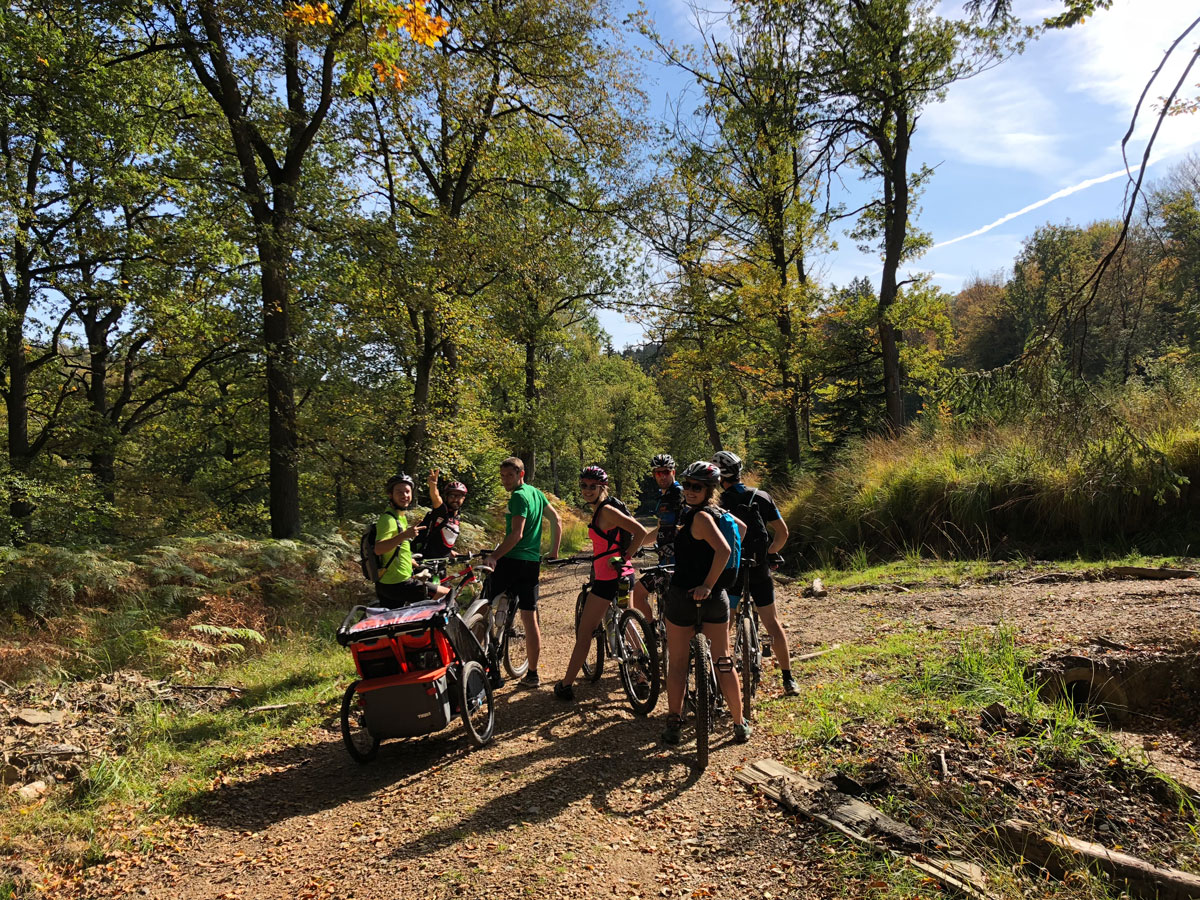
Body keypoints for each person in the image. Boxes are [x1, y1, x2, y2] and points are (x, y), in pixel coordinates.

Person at [659, 460, 750, 745]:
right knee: (724, 660)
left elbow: (723, 550)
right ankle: (739, 722)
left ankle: (674, 721)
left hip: (687, 595)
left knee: (678, 664)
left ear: (710, 489)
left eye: (696, 487)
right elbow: (741, 532)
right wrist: (713, 584)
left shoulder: (699, 518)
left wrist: (706, 583)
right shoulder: (723, 515)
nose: (689, 490)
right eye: (686, 485)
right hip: (717, 600)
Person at [554, 466, 651, 701]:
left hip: (609, 578)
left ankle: (566, 684)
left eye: (592, 486)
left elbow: (639, 531)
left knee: (586, 631)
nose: (587, 490)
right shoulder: (601, 509)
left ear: (602, 488)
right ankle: (643, 666)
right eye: (584, 485)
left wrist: (625, 556)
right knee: (625, 620)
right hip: (622, 575)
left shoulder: (606, 510)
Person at [711, 450, 798, 697]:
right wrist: (769, 553)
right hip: (759, 568)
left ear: (720, 477)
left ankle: (721, 682)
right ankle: (788, 679)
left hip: (732, 570)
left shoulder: (717, 503)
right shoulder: (762, 496)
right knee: (772, 622)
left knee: (725, 625)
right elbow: (783, 533)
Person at [484, 457, 562, 688]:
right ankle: (532, 674)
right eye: (503, 476)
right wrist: (553, 551)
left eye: (510, 475)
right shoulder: (536, 493)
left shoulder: (518, 496)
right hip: (532, 563)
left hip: (512, 560)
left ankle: (481, 663)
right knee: (530, 617)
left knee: (482, 606)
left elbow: (516, 535)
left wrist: (494, 557)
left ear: (521, 474)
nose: (505, 480)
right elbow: (556, 520)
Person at [630, 454, 683, 626]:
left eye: (666, 472)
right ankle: (653, 630)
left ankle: (655, 633)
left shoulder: (680, 495)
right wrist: (635, 544)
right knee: (638, 594)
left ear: (673, 472)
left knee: (638, 593)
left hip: (677, 565)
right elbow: (660, 528)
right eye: (657, 473)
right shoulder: (663, 497)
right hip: (664, 563)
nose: (662, 476)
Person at [372, 473, 428, 608]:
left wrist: (412, 562)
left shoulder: (399, 517)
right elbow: (378, 549)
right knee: (444, 594)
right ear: (390, 495)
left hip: (389, 583)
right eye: (399, 492)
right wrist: (404, 535)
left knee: (395, 624)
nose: (404, 495)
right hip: (398, 583)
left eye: (407, 491)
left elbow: (397, 548)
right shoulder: (388, 519)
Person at [418, 469, 466, 560]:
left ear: (463, 498)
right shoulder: (442, 511)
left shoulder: (457, 517)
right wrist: (433, 486)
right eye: (452, 496)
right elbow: (436, 498)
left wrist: (449, 551)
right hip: (427, 560)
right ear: (446, 497)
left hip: (441, 563)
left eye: (459, 496)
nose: (455, 499)